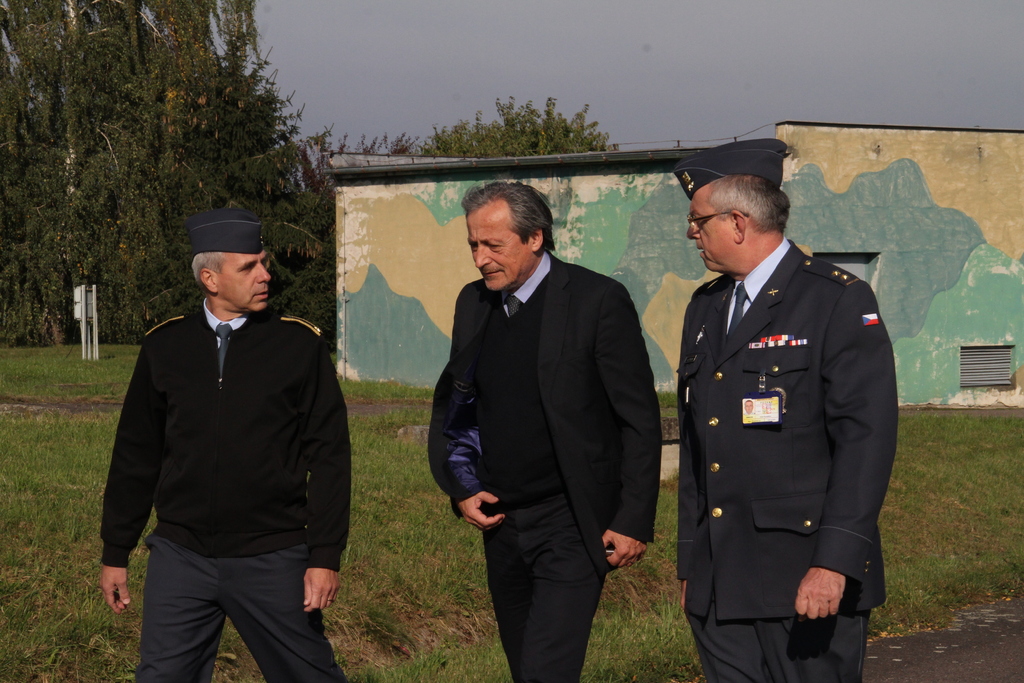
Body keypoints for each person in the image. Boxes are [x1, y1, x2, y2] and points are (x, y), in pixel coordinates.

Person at [673, 140, 898, 683]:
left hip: (805, 576)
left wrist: (835, 562)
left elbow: (866, 441)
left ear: (738, 221)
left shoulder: (835, 299)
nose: (690, 232)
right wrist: (690, 563)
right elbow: (697, 444)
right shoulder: (705, 308)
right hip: (721, 580)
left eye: (698, 220)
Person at [99, 207, 351, 682]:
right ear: (210, 279)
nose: (265, 274)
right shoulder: (164, 348)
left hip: (272, 558)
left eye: (263, 262)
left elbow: (332, 457)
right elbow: (136, 455)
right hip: (181, 558)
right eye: (249, 266)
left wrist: (324, 557)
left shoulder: (298, 347)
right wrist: (116, 550)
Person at [428, 181, 662, 683]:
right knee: (524, 668)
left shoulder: (597, 300)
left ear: (535, 238)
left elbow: (638, 419)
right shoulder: (473, 304)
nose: (480, 258)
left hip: (573, 522)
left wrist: (634, 518)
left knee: (545, 672)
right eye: (473, 244)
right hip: (502, 524)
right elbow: (458, 405)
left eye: (494, 244)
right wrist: (461, 488)